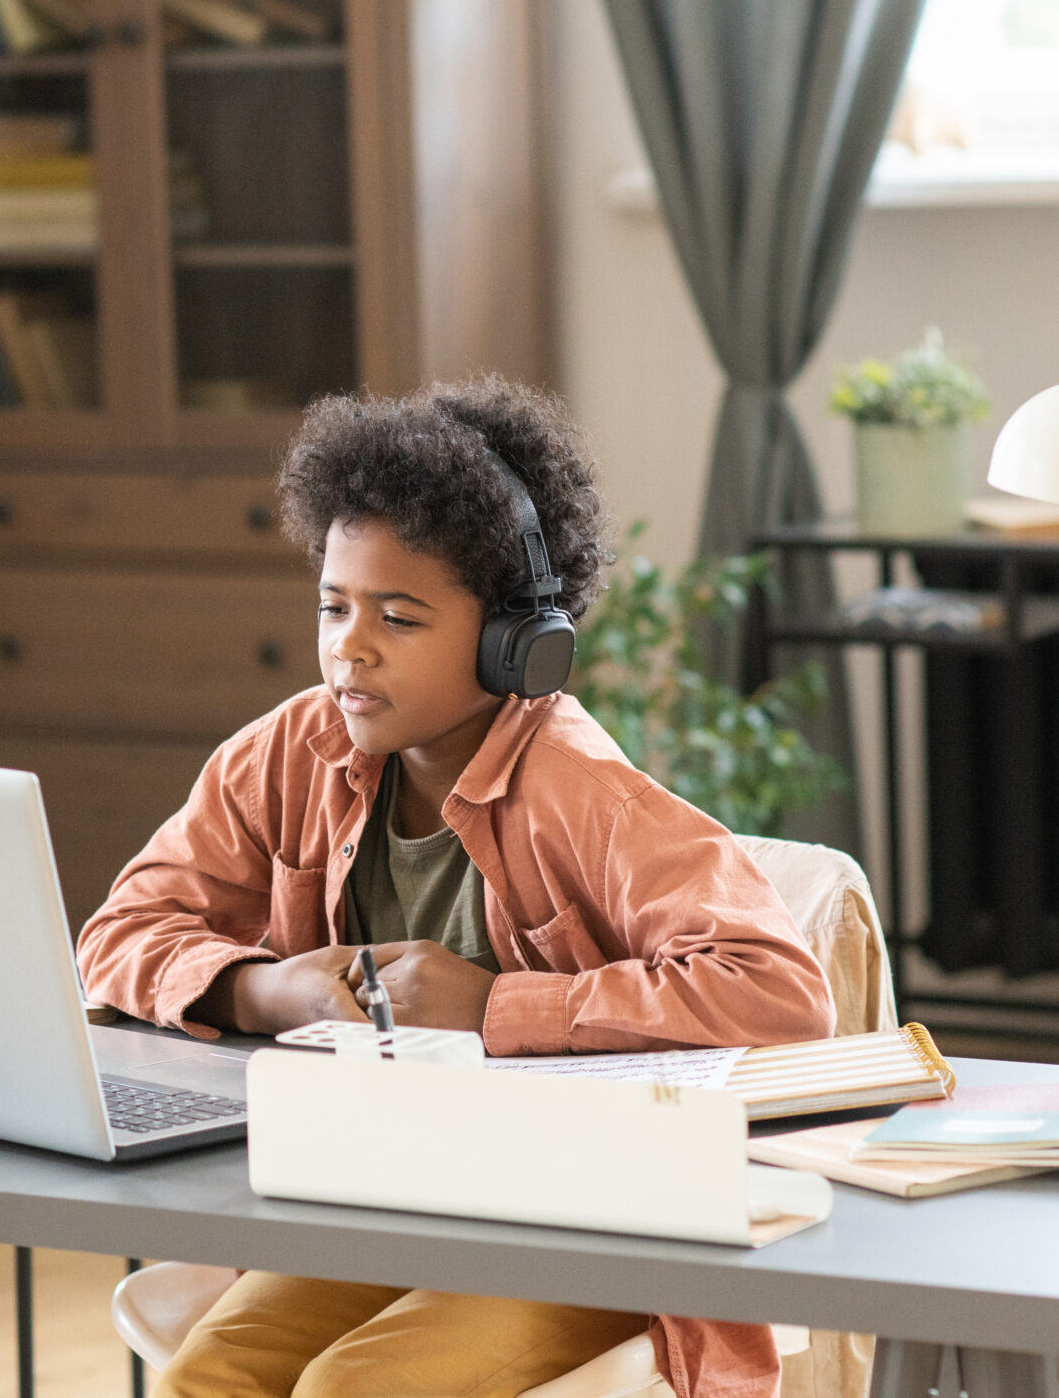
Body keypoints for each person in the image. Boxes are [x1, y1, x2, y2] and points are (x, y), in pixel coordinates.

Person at [76, 376, 834, 1398]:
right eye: (333, 605)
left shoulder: (580, 790)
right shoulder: (292, 750)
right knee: (211, 1371)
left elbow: (779, 989)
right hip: (386, 1197)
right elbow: (121, 928)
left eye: (398, 615)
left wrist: (492, 1005)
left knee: (351, 1387)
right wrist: (267, 988)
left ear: (512, 639)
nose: (350, 644)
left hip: (588, 1222)